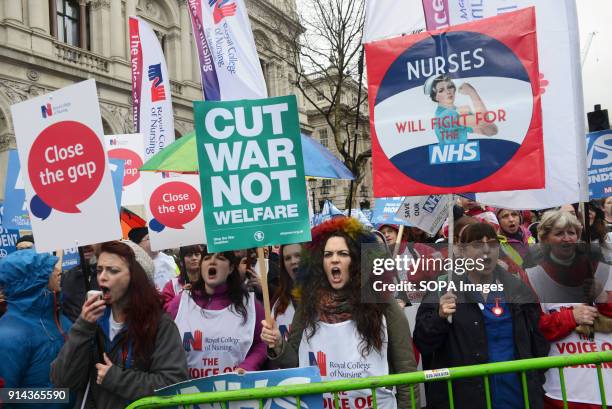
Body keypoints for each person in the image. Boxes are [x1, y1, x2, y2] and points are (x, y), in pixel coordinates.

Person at [262, 217, 419, 409]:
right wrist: (278, 345)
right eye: (328, 254)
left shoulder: (383, 304)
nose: (334, 259)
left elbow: (407, 373)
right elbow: (297, 364)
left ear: (356, 261)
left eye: (343, 253)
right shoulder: (307, 307)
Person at [414, 222, 549, 409]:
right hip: (465, 398)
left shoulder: (517, 288)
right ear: (461, 251)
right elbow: (423, 342)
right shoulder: (443, 290)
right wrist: (440, 317)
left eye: (492, 244)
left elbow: (538, 341)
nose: (486, 250)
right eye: (477, 244)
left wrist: (535, 381)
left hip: (516, 397)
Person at [51, 241, 188, 408]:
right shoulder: (92, 322)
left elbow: (172, 384)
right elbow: (62, 381)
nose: (102, 277)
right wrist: (82, 327)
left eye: (113, 270)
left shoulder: (160, 325)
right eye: (100, 269)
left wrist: (116, 378)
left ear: (136, 277)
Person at [525, 210, 611, 409]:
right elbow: (532, 326)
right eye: (559, 233)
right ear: (545, 239)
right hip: (564, 389)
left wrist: (603, 297)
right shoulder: (532, 276)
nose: (567, 239)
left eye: (571, 233)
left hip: (605, 382)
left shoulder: (602, 268)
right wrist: (570, 317)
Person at [167, 248, 267, 378]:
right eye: (207, 258)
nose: (212, 262)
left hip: (235, 390)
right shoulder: (180, 303)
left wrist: (248, 366)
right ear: (201, 266)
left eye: (220, 258)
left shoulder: (250, 304)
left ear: (231, 268)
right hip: (191, 393)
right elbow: (164, 343)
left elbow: (263, 342)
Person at [0, 250, 73, 408]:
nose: (58, 271)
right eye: (52, 268)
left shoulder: (58, 316)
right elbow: (5, 396)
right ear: (35, 280)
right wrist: (62, 396)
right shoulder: (8, 334)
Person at [426, 74, 498, 146]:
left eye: (450, 87)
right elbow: (483, 120)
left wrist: (483, 123)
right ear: (435, 97)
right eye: (441, 90)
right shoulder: (446, 115)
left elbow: (491, 131)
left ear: (454, 89)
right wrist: (472, 92)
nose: (448, 92)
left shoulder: (458, 112)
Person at [128, 227, 178, 291]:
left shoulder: (168, 259)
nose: (154, 240)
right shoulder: (133, 265)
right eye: (149, 238)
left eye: (154, 237)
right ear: (137, 244)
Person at [272, 243, 302, 341]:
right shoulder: (278, 303)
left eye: (298, 255)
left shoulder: (324, 297)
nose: (293, 261)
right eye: (288, 258)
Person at [161, 244, 204, 309]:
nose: (194, 258)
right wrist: (181, 297)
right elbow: (167, 311)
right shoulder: (171, 285)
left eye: (197, 254)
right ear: (181, 261)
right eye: (189, 255)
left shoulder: (210, 281)